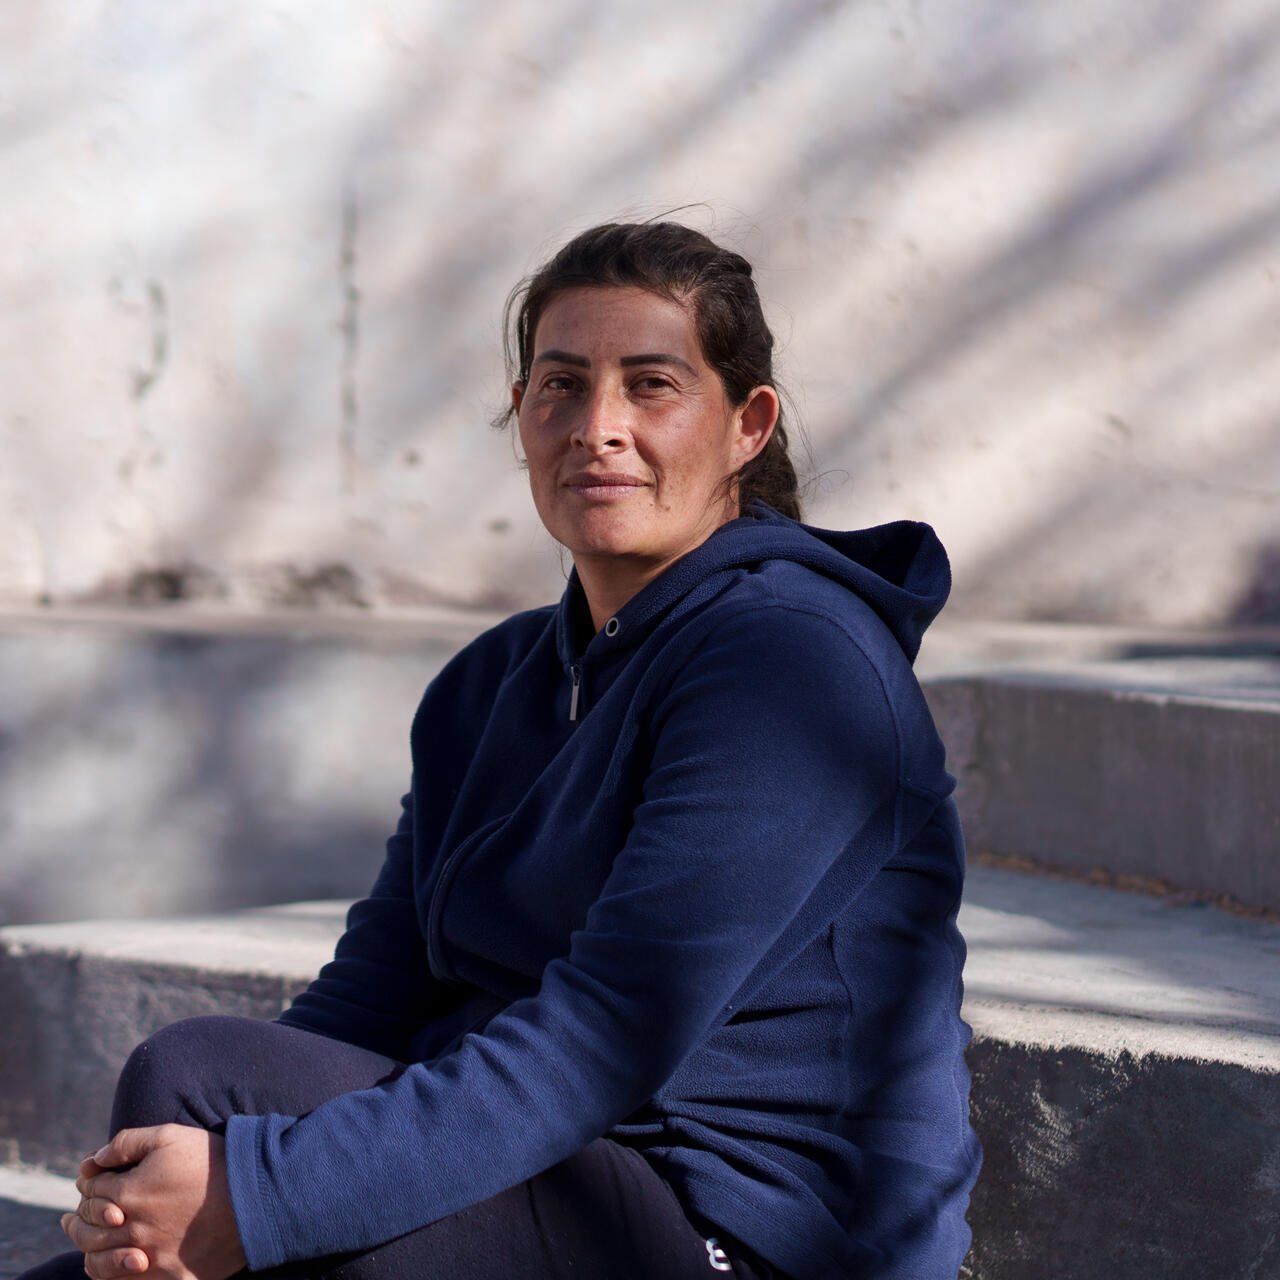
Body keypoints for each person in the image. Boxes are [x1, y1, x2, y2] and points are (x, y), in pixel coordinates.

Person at [24, 220, 981, 1280]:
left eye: (651, 385)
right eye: (561, 386)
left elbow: (606, 1033)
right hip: (547, 1172)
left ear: (746, 425)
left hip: (748, 1228)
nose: (598, 429)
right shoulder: (487, 685)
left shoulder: (795, 664)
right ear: (523, 414)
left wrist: (264, 1191)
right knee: (187, 1146)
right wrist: (223, 1176)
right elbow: (369, 1001)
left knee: (198, 1081)